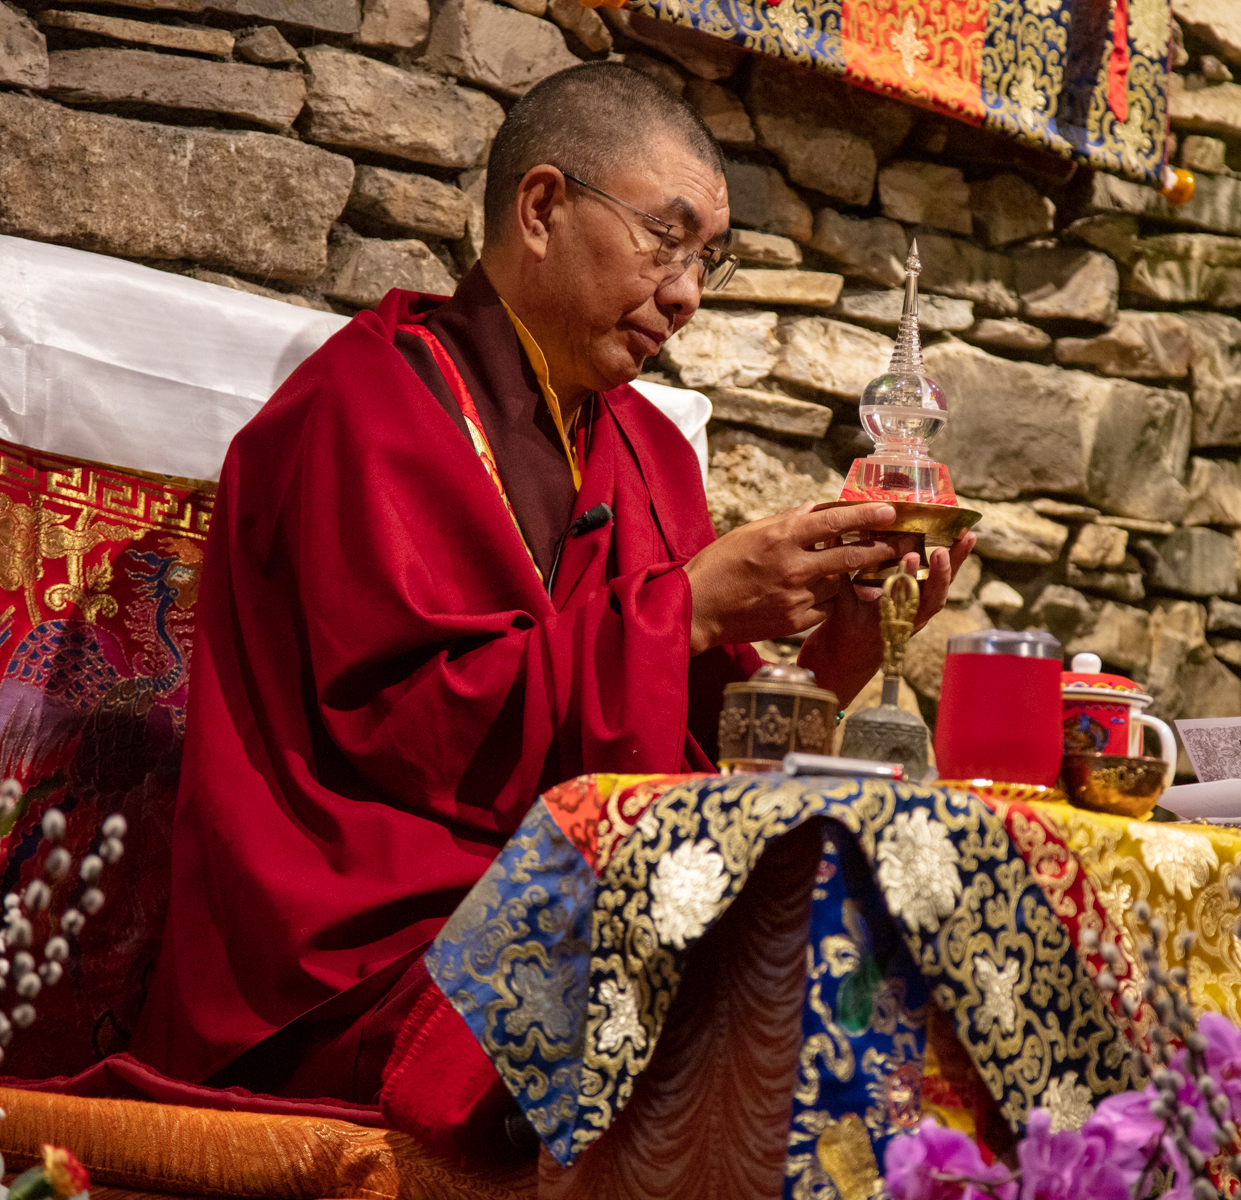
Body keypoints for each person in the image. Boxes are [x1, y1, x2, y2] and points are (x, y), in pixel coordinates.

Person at [128, 63, 975, 1162]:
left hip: (568, 906)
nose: (688, 294)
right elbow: (406, 734)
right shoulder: (362, 409)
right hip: (364, 961)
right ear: (540, 209)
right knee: (772, 1004)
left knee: (895, 945)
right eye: (666, 241)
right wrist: (686, 609)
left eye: (707, 261)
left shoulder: (648, 450)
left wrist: (848, 644)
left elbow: (695, 768)